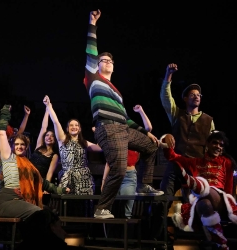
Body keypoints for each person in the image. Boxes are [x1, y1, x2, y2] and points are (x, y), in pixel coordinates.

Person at [84, 9, 160, 219]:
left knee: (151, 147)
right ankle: (101, 209)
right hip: (107, 128)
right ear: (96, 65)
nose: (107, 61)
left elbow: (125, 118)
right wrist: (92, 23)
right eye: (103, 60)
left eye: (110, 60)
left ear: (114, 67)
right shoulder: (92, 79)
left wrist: (146, 133)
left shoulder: (116, 92)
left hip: (123, 128)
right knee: (118, 169)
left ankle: (144, 185)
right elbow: (91, 50)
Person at [0, 104, 73, 249]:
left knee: (50, 213)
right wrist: (5, 113)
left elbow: (42, 183)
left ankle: (50, 243)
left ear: (26, 147)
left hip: (22, 200)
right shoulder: (8, 157)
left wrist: (60, 190)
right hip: (8, 201)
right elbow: (1, 133)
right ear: (13, 146)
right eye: (17, 144)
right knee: (39, 214)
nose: (19, 147)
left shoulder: (29, 164)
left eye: (22, 145)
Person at [156, 63, 215, 243]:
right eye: (192, 95)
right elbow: (166, 98)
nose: (196, 97)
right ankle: (160, 240)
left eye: (198, 95)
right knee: (163, 199)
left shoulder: (208, 120)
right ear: (185, 98)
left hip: (195, 168)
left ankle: (207, 241)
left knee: (200, 204)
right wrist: (168, 76)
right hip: (176, 164)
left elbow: (213, 148)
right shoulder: (177, 114)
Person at [162, 131, 237, 250]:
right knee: (204, 203)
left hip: (220, 200)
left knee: (209, 189)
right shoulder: (196, 162)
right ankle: (221, 243)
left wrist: (229, 207)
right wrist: (166, 138)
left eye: (221, 145)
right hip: (200, 203)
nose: (218, 146)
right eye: (215, 143)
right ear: (207, 144)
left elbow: (229, 188)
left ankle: (190, 181)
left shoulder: (226, 162)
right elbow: (172, 156)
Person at [101, 105, 163, 219]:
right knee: (111, 208)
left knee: (126, 209)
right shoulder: (119, 137)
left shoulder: (137, 139)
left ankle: (126, 233)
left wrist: (141, 111)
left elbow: (148, 128)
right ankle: (114, 234)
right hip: (115, 174)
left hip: (129, 176)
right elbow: (108, 162)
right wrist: (104, 181)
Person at [43, 95, 102, 196]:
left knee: (83, 205)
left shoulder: (85, 143)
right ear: (67, 128)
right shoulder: (62, 139)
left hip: (84, 179)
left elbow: (101, 148)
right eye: (71, 125)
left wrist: (98, 133)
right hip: (67, 178)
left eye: (76, 125)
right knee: (66, 204)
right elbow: (56, 122)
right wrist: (49, 106)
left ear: (79, 129)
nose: (74, 127)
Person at [0, 105, 31, 195]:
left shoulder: (9, 148)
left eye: (4, 135)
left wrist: (26, 115)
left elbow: (20, 131)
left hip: (5, 184)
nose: (0, 136)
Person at [29, 108, 59, 182]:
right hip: (27, 178)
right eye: (47, 135)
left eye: (52, 136)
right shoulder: (39, 146)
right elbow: (43, 128)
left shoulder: (54, 155)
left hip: (39, 182)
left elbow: (49, 173)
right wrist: (47, 110)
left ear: (55, 139)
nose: (49, 137)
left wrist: (47, 187)